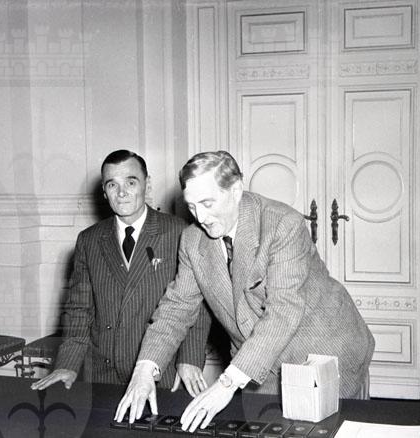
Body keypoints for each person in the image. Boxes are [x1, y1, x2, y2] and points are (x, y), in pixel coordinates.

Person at [115, 150, 375, 432]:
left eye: (207, 203)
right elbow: (176, 308)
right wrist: (144, 369)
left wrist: (225, 383)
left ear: (236, 190)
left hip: (322, 352)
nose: (200, 217)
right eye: (191, 206)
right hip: (256, 365)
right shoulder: (192, 240)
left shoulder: (281, 224)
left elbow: (283, 311)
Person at [31, 150, 210, 396]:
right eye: (112, 184)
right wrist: (67, 365)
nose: (122, 192)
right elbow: (79, 311)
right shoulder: (89, 240)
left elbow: (197, 307)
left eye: (131, 182)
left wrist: (189, 359)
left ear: (147, 184)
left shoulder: (180, 233)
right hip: (103, 374)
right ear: (104, 192)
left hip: (161, 372)